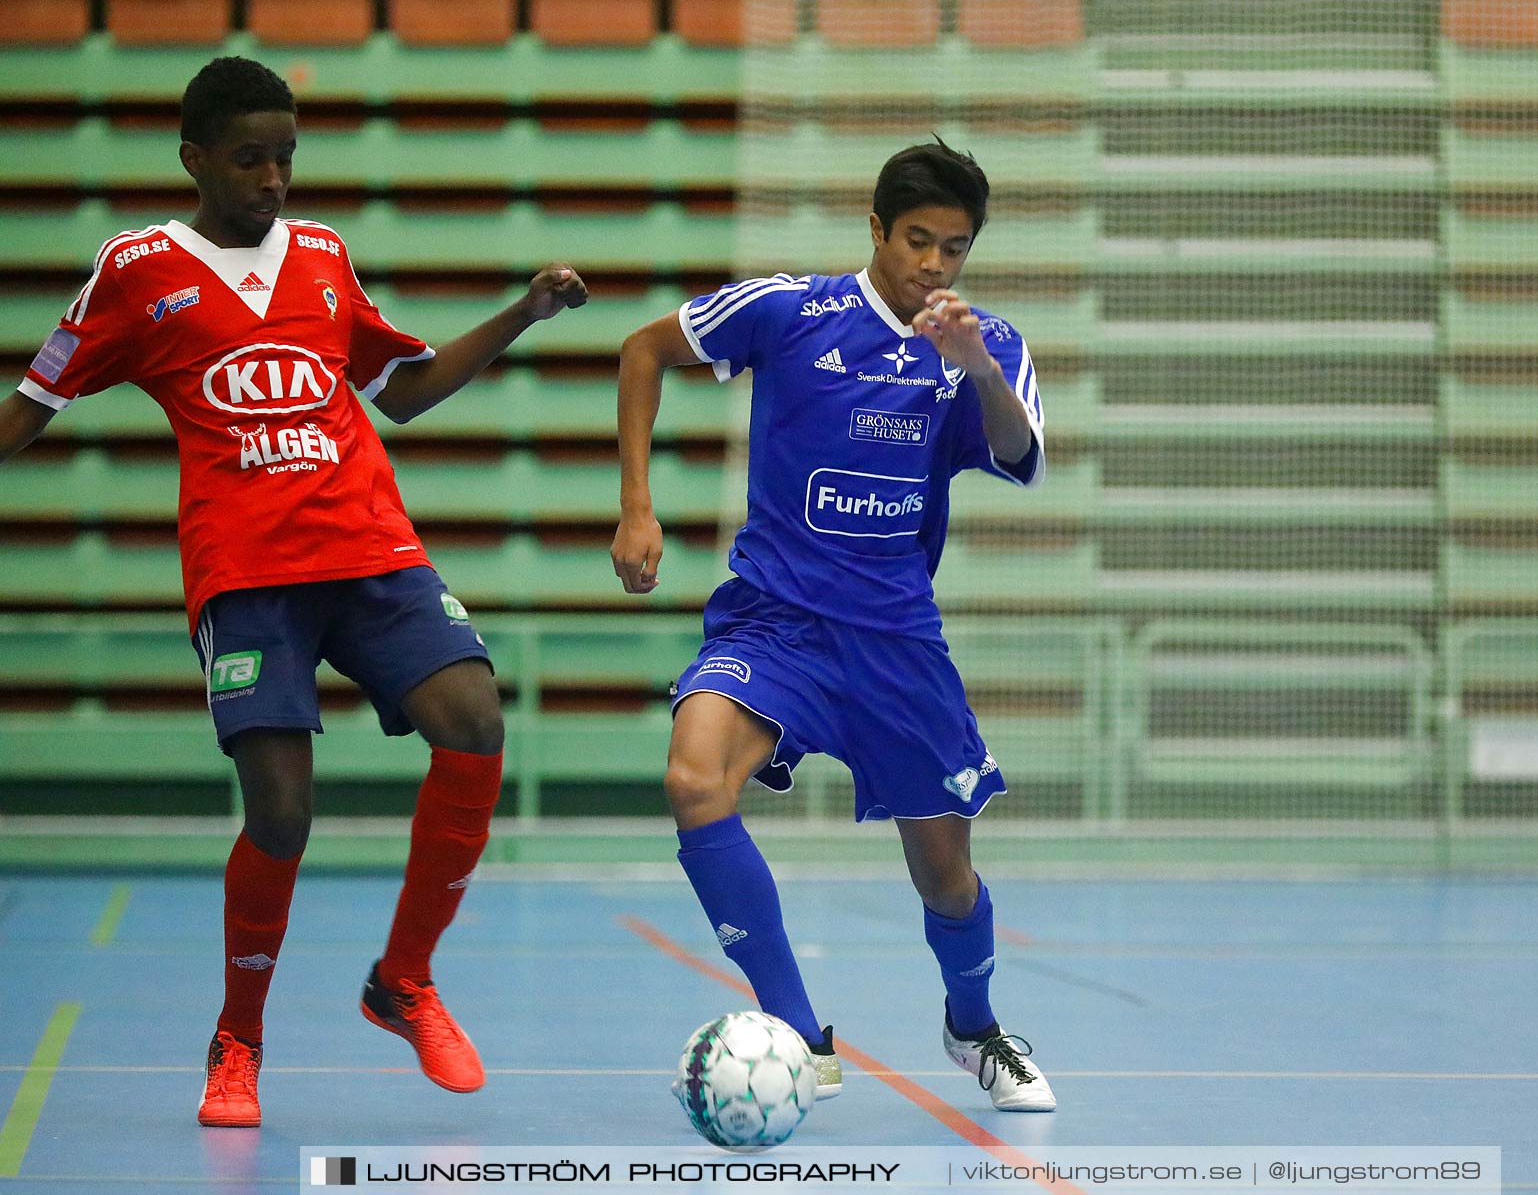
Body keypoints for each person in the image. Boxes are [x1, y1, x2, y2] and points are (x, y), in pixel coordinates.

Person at [0, 57, 587, 1127]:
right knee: (280, 814)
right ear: (195, 160)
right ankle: (238, 1040)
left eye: (287, 158)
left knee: (475, 722)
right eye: (250, 159)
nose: (274, 179)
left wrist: (522, 313)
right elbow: (33, 401)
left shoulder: (322, 255)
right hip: (248, 573)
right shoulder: (134, 269)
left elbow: (400, 396)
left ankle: (402, 981)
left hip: (369, 546)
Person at [611, 138, 1054, 1111]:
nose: (934, 265)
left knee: (946, 880)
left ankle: (974, 1027)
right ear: (876, 230)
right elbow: (644, 349)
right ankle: (800, 1038)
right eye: (918, 240)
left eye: (954, 248)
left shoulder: (989, 345)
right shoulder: (786, 311)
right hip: (774, 623)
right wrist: (637, 504)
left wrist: (973, 364)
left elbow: (1020, 450)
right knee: (693, 778)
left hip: (895, 641)